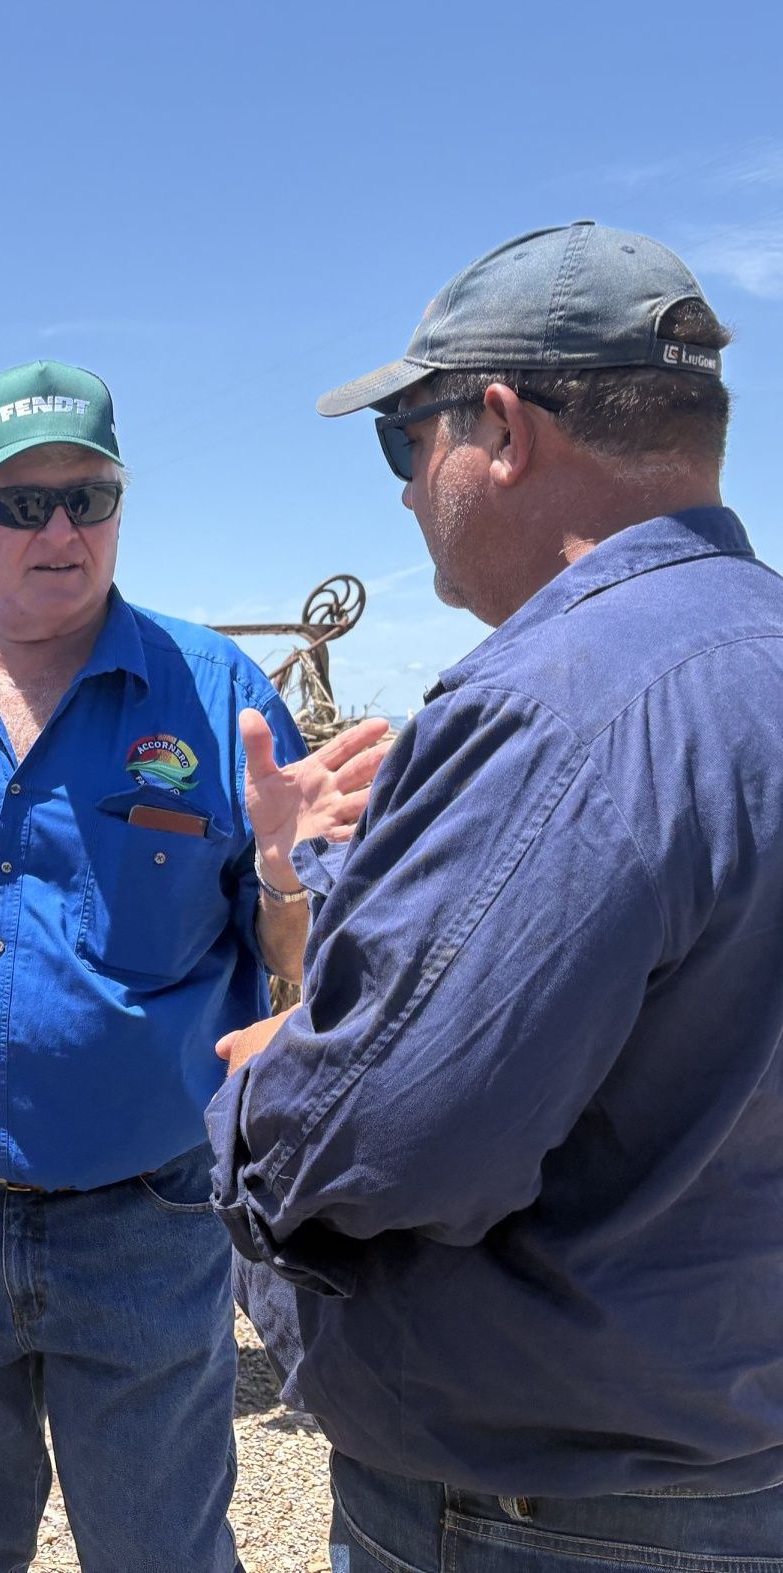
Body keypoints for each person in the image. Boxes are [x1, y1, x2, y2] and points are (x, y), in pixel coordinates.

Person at [209, 222, 783, 1569]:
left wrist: (256, 1091)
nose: (409, 488)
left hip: (541, 1515)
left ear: (505, 428)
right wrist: (312, 866)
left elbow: (391, 1143)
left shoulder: (560, 704)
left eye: (407, 439)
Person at [0, 359, 388, 1571]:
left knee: (159, 1550)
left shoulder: (215, 699)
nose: (57, 527)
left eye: (87, 497)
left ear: (117, 510)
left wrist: (278, 873)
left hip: (144, 1227)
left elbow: (297, 978)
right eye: (19, 501)